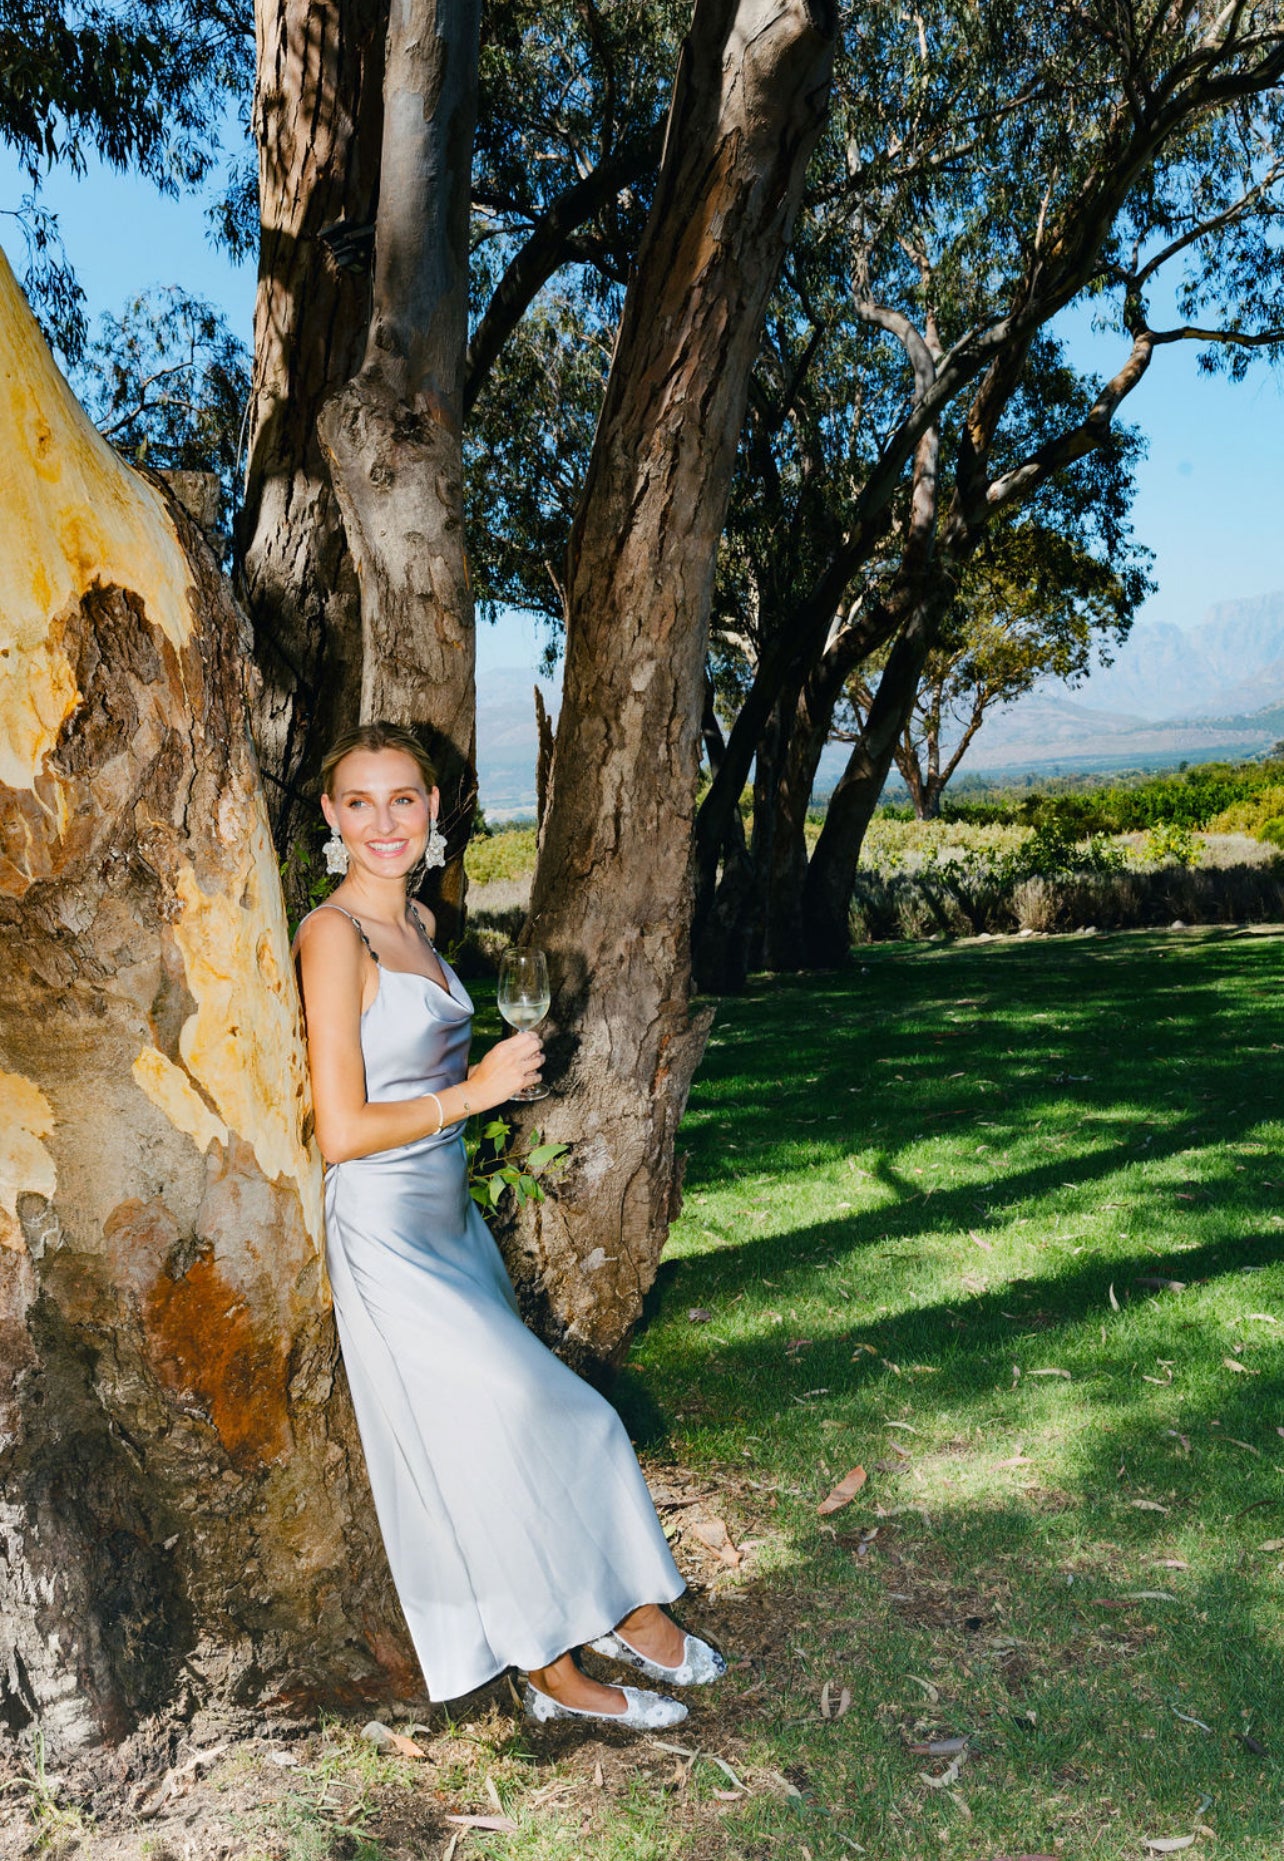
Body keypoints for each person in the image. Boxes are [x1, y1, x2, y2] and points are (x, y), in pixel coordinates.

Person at [293, 721, 727, 1729]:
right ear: (331, 816)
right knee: (563, 1418)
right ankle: (618, 1622)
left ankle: (554, 1656)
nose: (384, 821)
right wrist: (480, 1092)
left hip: (448, 1218)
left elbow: (422, 1072)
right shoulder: (334, 935)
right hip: (386, 1235)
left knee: (489, 1449)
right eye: (359, 802)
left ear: (434, 809)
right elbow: (342, 1128)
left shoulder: (424, 931)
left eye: (403, 798)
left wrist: (483, 1082)